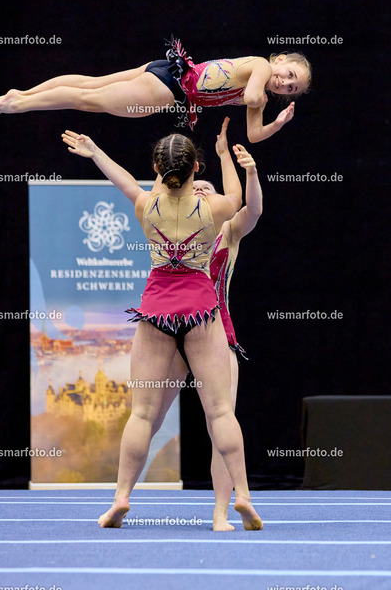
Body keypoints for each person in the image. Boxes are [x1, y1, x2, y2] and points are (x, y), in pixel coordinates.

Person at [61, 121, 263, 530]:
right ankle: (242, 494)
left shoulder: (145, 205)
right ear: (195, 169)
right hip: (200, 309)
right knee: (220, 411)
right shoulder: (213, 210)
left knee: (141, 414)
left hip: (157, 309)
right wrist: (229, 160)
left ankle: (121, 498)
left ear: (156, 169)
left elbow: (125, 181)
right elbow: (237, 197)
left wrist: (96, 152)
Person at [146, 119, 263, 531]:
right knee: (148, 417)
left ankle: (221, 511)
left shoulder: (228, 229)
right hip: (169, 326)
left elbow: (252, 208)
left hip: (216, 331)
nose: (201, 192)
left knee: (220, 421)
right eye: (195, 187)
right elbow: (158, 188)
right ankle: (121, 497)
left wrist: (243, 168)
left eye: (208, 190)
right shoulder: (167, 221)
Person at [0, 37, 311, 143]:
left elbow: (253, 135)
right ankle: (18, 105)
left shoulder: (262, 90)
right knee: (89, 99)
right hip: (167, 87)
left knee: (91, 85)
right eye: (289, 74)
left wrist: (277, 123)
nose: (284, 83)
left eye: (291, 87)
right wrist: (261, 100)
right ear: (280, 60)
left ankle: (22, 94)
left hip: (165, 72)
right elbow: (252, 97)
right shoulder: (261, 66)